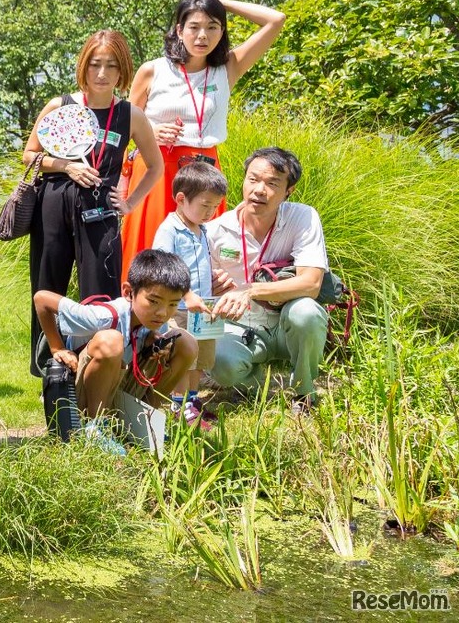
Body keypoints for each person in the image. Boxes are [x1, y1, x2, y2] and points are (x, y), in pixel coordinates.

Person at [21, 31, 163, 377]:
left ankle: (96, 368)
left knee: (102, 292)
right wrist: (65, 166)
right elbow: (29, 155)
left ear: (122, 70)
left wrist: (129, 203)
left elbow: (155, 166)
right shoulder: (61, 106)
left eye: (111, 66)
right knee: (48, 282)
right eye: (95, 64)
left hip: (101, 211)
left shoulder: (130, 115)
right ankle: (50, 370)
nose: (102, 73)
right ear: (83, 66)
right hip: (54, 204)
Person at [120, 0, 286, 276]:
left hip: (206, 168)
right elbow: (123, 126)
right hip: (157, 167)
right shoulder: (153, 70)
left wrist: (218, 1)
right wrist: (151, 132)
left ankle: (201, 303)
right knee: (150, 246)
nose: (202, 36)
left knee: (203, 247)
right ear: (179, 30)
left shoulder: (228, 68)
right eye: (194, 26)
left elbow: (275, 20)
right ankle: (139, 303)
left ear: (222, 32)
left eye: (212, 27)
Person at [33, 249, 199, 454]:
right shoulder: (102, 316)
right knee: (111, 340)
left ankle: (145, 421)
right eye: (154, 301)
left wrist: (152, 343)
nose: (162, 312)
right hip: (82, 396)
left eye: (173, 304)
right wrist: (57, 347)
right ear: (128, 292)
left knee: (186, 343)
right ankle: (95, 426)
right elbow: (41, 299)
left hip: (119, 386)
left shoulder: (156, 320)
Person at [207, 148, 330, 413]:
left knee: (307, 313)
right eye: (253, 179)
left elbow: (311, 283)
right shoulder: (216, 230)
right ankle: (258, 385)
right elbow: (197, 292)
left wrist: (250, 290)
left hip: (287, 324)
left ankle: (304, 391)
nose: (259, 190)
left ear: (289, 191)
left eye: (272, 183)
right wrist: (212, 287)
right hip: (240, 327)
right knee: (219, 363)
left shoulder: (303, 217)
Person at [151, 160, 227, 428]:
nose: (210, 212)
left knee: (200, 360)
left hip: (203, 308)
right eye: (205, 205)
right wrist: (186, 295)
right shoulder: (170, 230)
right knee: (184, 358)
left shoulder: (201, 229)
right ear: (181, 199)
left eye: (215, 206)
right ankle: (179, 404)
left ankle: (193, 402)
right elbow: (163, 269)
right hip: (181, 310)